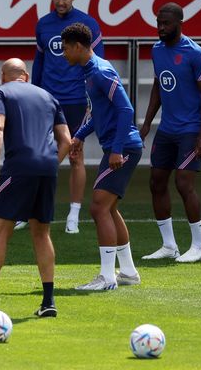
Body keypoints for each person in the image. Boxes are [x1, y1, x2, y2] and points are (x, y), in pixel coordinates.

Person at [0, 58, 71, 319]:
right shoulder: (48, 96)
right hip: (48, 168)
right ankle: (48, 302)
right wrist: (49, 164)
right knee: (41, 233)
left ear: (4, 76)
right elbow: (67, 141)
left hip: (19, 167)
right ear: (26, 76)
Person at [62, 23, 143, 291]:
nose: (63, 54)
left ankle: (107, 278)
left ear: (77, 47)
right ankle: (128, 273)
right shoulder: (90, 72)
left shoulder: (100, 72)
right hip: (120, 147)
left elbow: (125, 109)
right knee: (108, 208)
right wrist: (80, 135)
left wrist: (117, 149)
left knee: (98, 207)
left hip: (124, 148)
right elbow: (98, 113)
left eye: (65, 49)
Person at [28, 0, 105, 234]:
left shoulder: (88, 24)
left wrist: (92, 100)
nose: (60, 3)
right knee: (37, 153)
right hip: (48, 99)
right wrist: (35, 94)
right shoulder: (43, 25)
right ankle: (30, 209)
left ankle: (73, 214)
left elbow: (98, 65)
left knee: (75, 156)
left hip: (75, 100)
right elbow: (39, 63)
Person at [139, 3, 201, 263]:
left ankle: (198, 247)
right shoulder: (157, 50)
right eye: (158, 23)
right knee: (156, 182)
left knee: (184, 183)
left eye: (166, 24)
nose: (161, 28)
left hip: (190, 130)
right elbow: (159, 85)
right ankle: (169, 245)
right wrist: (147, 122)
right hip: (167, 129)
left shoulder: (195, 53)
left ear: (179, 23)